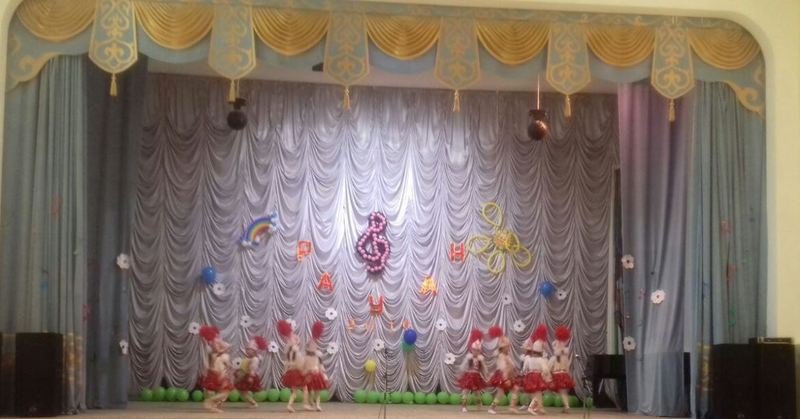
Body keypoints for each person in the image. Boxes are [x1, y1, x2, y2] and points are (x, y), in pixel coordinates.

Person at [199, 325, 234, 413]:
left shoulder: (211, 344)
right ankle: (210, 402)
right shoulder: (215, 342)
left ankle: (214, 405)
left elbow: (213, 358)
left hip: (215, 369)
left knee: (221, 390)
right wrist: (226, 348)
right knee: (225, 391)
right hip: (218, 369)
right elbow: (218, 351)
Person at [487, 326, 519, 415]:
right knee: (500, 392)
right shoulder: (501, 356)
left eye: (508, 347)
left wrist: (512, 374)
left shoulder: (507, 356)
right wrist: (506, 379)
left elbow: (511, 367)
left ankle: (512, 407)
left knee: (515, 389)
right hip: (503, 376)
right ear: (503, 348)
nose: (508, 348)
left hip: (508, 376)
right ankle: (492, 407)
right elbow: (503, 368)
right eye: (507, 347)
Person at [522, 324, 552, 415]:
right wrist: (547, 376)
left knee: (536, 393)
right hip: (537, 374)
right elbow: (545, 369)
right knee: (538, 392)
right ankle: (531, 407)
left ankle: (539, 407)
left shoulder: (530, 357)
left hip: (531, 373)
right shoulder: (542, 345)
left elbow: (525, 368)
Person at [277, 320, 306, 413]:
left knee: (295, 391)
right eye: (297, 341)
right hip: (296, 372)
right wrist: (303, 371)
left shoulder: (288, 351)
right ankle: (304, 404)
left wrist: (284, 371)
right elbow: (299, 363)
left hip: (290, 372)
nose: (298, 341)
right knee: (304, 388)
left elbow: (286, 363)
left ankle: (291, 405)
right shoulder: (296, 351)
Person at [457, 329, 488, 413]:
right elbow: (463, 366)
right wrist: (460, 374)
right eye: (474, 350)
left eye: (477, 350)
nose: (475, 352)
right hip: (468, 376)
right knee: (465, 391)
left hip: (476, 377)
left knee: (477, 392)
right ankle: (463, 406)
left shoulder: (481, 358)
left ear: (479, 351)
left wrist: (485, 376)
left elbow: (484, 368)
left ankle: (479, 405)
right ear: (471, 349)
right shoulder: (469, 357)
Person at [235, 336, 268, 408]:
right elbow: (244, 354)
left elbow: (253, 368)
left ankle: (253, 403)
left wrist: (250, 377)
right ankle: (253, 402)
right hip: (244, 375)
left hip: (248, 376)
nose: (247, 351)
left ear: (254, 351)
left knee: (243, 391)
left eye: (249, 350)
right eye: (247, 349)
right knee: (242, 392)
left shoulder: (255, 359)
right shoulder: (249, 357)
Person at [303, 321, 328, 412]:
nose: (313, 346)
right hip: (309, 373)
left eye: (314, 346)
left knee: (317, 391)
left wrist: (324, 373)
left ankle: (317, 405)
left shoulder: (318, 354)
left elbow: (320, 364)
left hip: (316, 373)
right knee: (310, 390)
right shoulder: (306, 355)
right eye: (311, 345)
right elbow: (304, 363)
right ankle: (310, 403)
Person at [550, 325, 576, 413]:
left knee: (562, 392)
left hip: (558, 374)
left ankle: (567, 406)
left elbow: (556, 350)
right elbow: (567, 366)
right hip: (564, 374)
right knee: (563, 392)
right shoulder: (565, 354)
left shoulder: (558, 355)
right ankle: (566, 406)